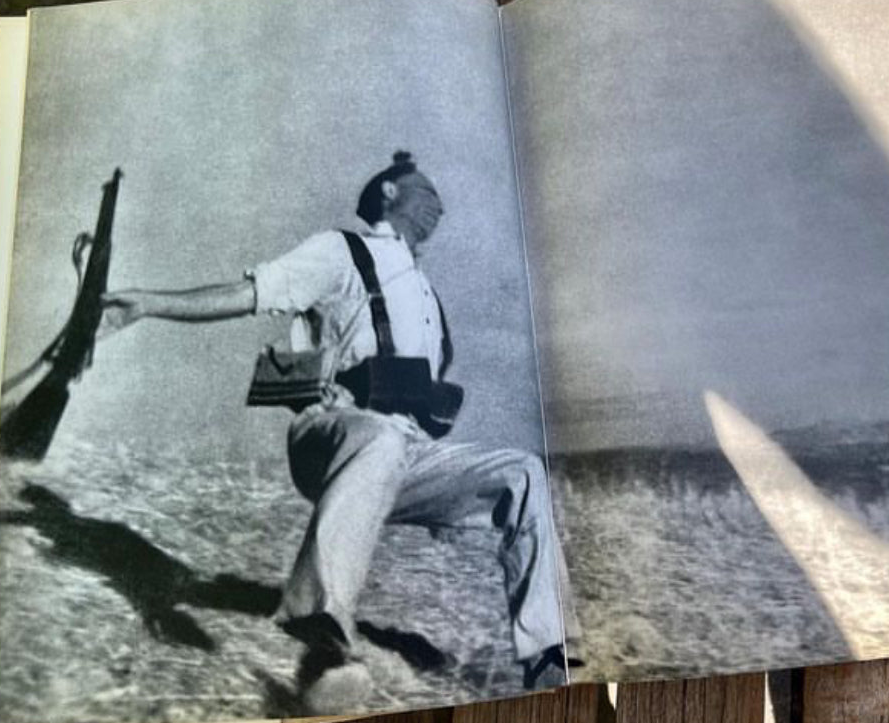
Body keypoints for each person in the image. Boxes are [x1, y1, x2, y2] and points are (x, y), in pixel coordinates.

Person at [100, 151, 568, 691]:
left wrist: (450, 489)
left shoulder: (428, 297)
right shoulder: (341, 250)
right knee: (381, 438)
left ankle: (547, 661)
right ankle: (322, 631)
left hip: (403, 453)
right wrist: (148, 305)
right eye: (427, 191)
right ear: (390, 193)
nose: (440, 204)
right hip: (331, 435)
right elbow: (250, 294)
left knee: (524, 472)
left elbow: (426, 401)